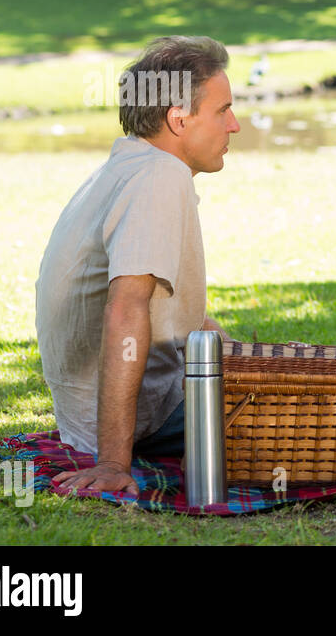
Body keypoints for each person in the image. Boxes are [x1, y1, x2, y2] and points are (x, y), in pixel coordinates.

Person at [36, 36, 239, 495]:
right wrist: (112, 463)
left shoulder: (131, 163)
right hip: (139, 418)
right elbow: (125, 310)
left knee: (292, 389)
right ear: (178, 119)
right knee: (313, 418)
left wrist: (249, 363)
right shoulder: (158, 177)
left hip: (90, 412)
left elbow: (176, 314)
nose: (235, 125)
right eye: (222, 110)